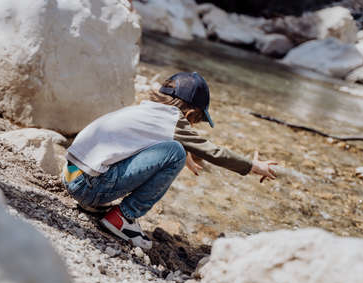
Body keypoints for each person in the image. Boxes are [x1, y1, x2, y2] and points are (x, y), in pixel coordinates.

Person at [62, 72, 277, 249]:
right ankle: (123, 218)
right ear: (190, 113)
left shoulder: (147, 110)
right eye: (195, 122)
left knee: (176, 150)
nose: (191, 127)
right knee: (175, 152)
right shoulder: (172, 120)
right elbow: (214, 152)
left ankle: (96, 205)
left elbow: (144, 144)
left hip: (71, 174)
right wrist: (253, 166)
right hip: (87, 188)